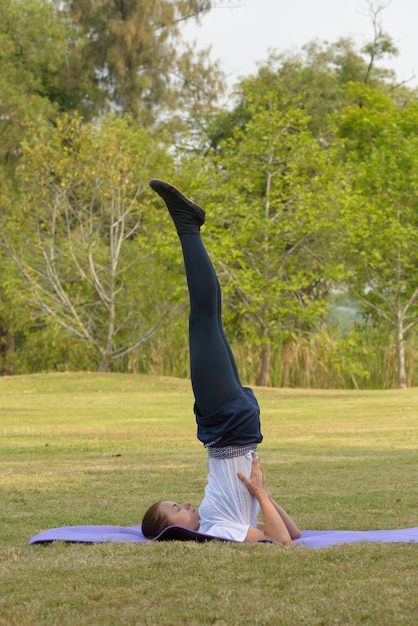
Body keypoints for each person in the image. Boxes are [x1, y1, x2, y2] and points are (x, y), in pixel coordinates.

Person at [142, 179, 300, 544]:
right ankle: (186, 225)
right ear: (177, 529)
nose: (184, 502)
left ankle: (188, 225)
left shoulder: (218, 518)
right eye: (175, 508)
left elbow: (291, 532)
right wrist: (259, 492)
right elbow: (284, 542)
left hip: (235, 430)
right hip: (226, 427)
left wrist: (261, 495)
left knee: (209, 317)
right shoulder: (214, 526)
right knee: (201, 319)